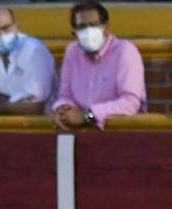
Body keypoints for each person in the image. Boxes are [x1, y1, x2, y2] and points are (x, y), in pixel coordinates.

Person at [50, 0, 146, 131]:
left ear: (106, 27)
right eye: (82, 27)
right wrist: (62, 110)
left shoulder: (125, 51)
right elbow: (65, 96)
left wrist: (86, 116)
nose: (88, 31)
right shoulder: (72, 52)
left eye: (94, 25)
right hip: (81, 134)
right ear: (74, 32)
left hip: (120, 135)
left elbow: (130, 103)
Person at [0, 6, 55, 116]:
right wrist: (13, 107)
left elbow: (33, 108)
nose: (1, 36)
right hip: (0, 126)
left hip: (42, 126)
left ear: (16, 26)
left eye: (6, 29)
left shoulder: (35, 50)